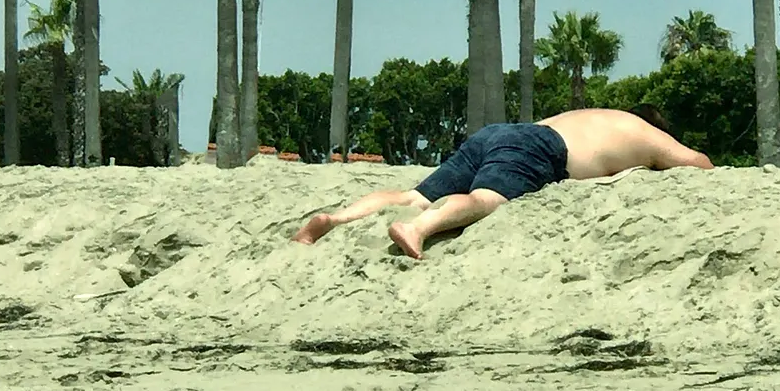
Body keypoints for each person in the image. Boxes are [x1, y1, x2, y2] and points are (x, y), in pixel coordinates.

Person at [292, 105, 713, 259]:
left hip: (499, 132)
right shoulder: (644, 131)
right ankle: (417, 229)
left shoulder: (595, 114)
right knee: (488, 198)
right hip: (540, 145)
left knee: (414, 194)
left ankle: (332, 220)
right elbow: (701, 164)